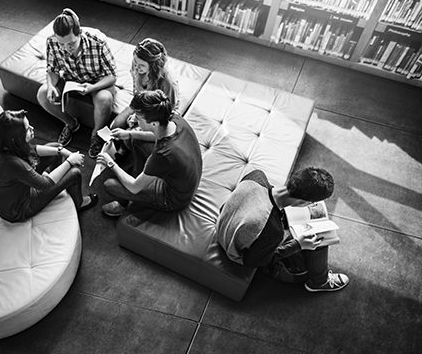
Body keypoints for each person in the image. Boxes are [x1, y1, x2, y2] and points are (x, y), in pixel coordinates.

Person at [217, 168, 350, 293]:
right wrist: (298, 245)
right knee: (319, 239)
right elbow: (253, 262)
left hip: (224, 225)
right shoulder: (273, 229)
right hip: (236, 252)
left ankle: (320, 278)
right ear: (303, 202)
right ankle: (320, 282)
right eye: (312, 203)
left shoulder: (256, 176)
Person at [0, 110, 98, 223]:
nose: (32, 129)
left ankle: (60, 183)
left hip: (12, 194)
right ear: (16, 137)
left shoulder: (1, 144)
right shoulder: (13, 163)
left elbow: (32, 150)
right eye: (27, 129)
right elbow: (44, 185)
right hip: (18, 209)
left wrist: (61, 151)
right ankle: (78, 203)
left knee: (55, 147)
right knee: (75, 173)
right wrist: (70, 161)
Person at [96, 89, 202, 217]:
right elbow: (157, 135)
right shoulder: (174, 119)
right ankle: (140, 175)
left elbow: (134, 187)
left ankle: (124, 204)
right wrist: (129, 134)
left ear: (154, 123)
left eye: (139, 118)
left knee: (110, 185)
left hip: (174, 198)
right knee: (136, 141)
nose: (135, 118)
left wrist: (111, 163)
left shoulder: (163, 154)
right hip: (185, 179)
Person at [37, 8, 117, 159]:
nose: (66, 48)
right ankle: (71, 124)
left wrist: (92, 87)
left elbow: (112, 76)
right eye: (62, 44)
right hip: (71, 78)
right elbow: (52, 69)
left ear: (79, 33)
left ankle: (96, 135)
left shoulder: (98, 42)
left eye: (71, 43)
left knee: (104, 99)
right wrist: (51, 86)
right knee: (42, 94)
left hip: (98, 80)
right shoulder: (52, 41)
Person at [110, 38, 179, 160]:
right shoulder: (137, 66)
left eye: (141, 65)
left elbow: (167, 113)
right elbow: (137, 92)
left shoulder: (168, 82)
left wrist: (139, 118)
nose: (136, 67)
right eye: (135, 63)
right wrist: (136, 113)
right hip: (140, 104)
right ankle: (125, 149)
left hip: (157, 113)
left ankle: (132, 152)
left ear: (154, 66)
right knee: (115, 126)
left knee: (131, 139)